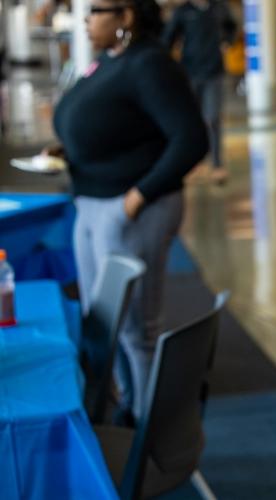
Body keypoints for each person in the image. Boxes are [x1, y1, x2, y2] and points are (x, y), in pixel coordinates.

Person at [48, 0, 208, 425]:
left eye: (96, 10)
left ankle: (148, 421)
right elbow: (117, 123)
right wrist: (73, 147)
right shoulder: (108, 61)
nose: (85, 18)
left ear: (126, 17)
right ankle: (123, 403)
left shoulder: (150, 65)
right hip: (91, 198)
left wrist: (136, 199)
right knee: (102, 321)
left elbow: (191, 140)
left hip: (133, 207)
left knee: (136, 326)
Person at [162, 0, 237, 184]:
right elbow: (168, 39)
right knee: (191, 120)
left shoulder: (219, 8)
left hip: (214, 72)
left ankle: (217, 164)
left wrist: (227, 41)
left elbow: (232, 27)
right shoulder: (183, 12)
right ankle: (194, 161)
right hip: (190, 72)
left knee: (212, 118)